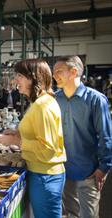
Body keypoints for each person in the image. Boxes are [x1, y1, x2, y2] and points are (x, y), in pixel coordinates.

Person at [0, 59, 66, 218]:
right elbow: (38, 133)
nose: (15, 80)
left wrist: (15, 142)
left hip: (45, 176)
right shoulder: (39, 102)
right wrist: (17, 133)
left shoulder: (43, 105)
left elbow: (48, 148)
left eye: (19, 75)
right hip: (42, 173)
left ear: (33, 77)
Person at [53, 56, 112, 218]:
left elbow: (105, 135)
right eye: (54, 71)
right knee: (71, 213)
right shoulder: (55, 99)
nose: (54, 75)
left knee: (89, 215)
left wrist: (104, 167)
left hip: (89, 172)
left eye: (59, 71)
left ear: (73, 72)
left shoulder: (96, 100)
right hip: (63, 170)